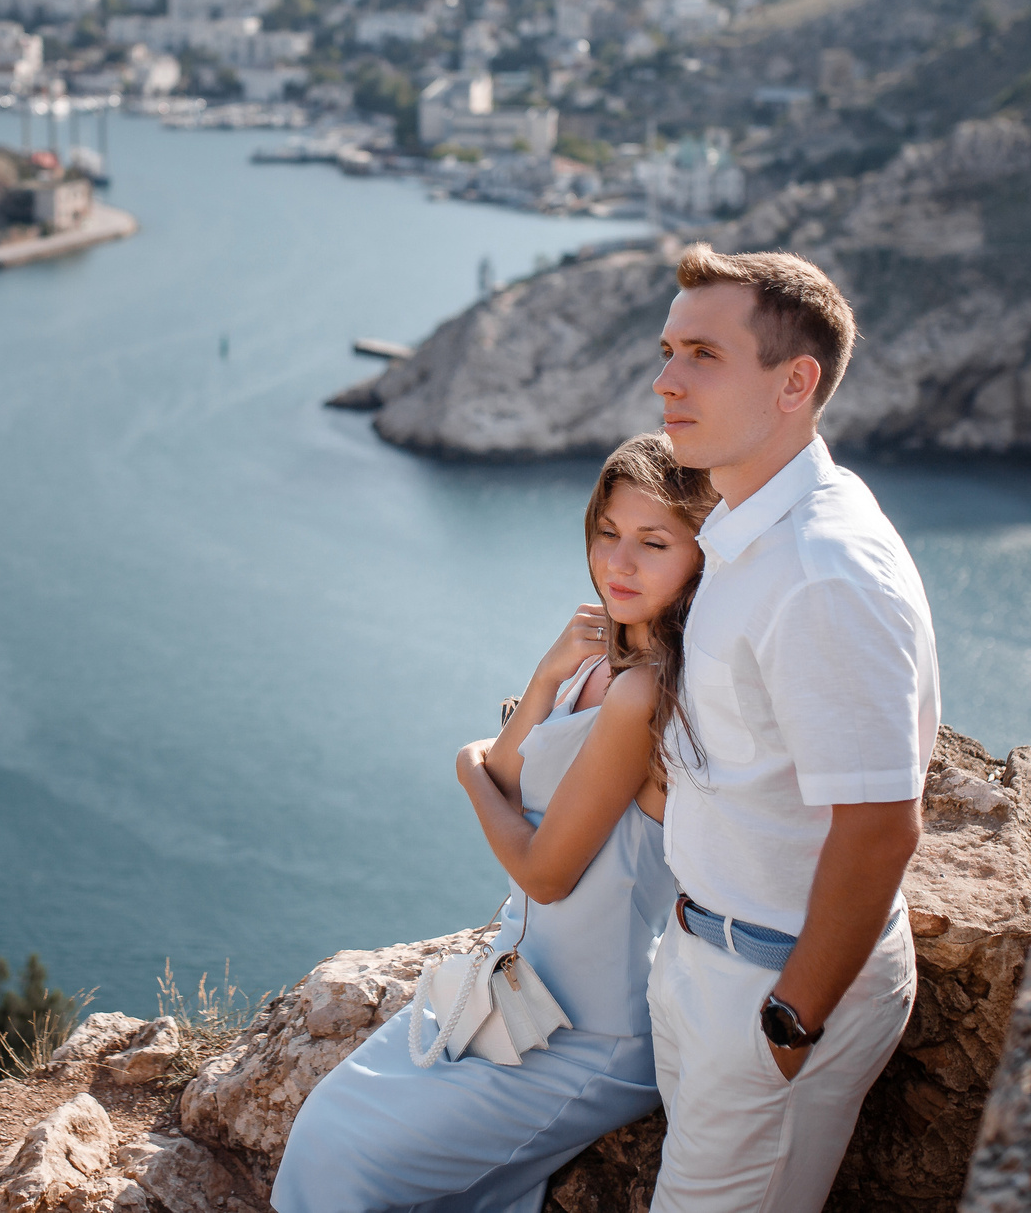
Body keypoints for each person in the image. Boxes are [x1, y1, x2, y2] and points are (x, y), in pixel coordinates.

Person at [273, 434, 716, 1213]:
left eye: (655, 542)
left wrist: (464, 767)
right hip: (511, 989)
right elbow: (512, 770)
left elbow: (542, 866)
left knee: (348, 1164)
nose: (620, 561)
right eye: (608, 532)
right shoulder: (591, 660)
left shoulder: (645, 692)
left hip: (591, 1032)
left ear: (700, 555)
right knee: (326, 1128)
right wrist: (546, 674)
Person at [644, 244, 940, 1213]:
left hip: (773, 981)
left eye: (702, 355)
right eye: (667, 350)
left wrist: (788, 1019)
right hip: (708, 955)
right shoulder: (754, 529)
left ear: (794, 382)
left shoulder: (820, 566)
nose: (666, 380)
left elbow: (881, 828)